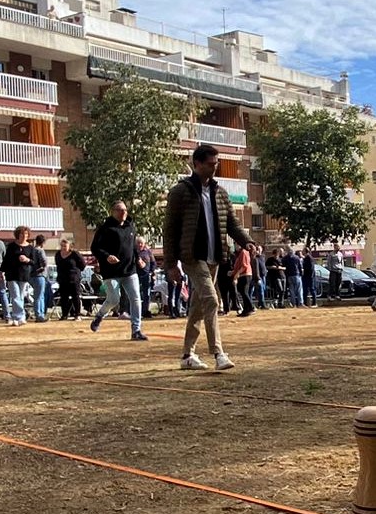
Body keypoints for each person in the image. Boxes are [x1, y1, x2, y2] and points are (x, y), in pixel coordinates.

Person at [161, 141, 250, 371]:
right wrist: (170, 264)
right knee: (212, 300)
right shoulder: (180, 192)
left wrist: (247, 242)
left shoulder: (220, 193)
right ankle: (218, 354)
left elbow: (231, 223)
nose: (215, 167)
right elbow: (169, 230)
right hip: (192, 256)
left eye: (217, 163)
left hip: (215, 257)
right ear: (197, 164)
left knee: (198, 308)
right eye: (211, 164)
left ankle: (187, 356)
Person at [88, 199, 149, 341]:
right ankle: (99, 316)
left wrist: (138, 258)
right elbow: (95, 248)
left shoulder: (130, 227)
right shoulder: (105, 229)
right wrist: (107, 256)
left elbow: (133, 247)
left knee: (136, 299)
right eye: (120, 210)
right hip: (111, 272)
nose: (123, 213)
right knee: (113, 300)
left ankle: (136, 330)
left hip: (129, 270)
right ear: (112, 212)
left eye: (125, 210)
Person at [2, 227, 31, 326]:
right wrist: (1, 271)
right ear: (17, 235)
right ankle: (18, 316)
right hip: (11, 274)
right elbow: (5, 260)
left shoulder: (30, 247)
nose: (24, 236)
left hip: (23, 275)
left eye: (26, 234)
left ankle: (18, 317)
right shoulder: (11, 246)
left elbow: (34, 262)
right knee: (15, 296)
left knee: (21, 296)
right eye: (22, 234)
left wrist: (27, 260)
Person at [55, 238, 83, 319]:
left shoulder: (75, 254)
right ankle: (64, 315)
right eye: (62, 246)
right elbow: (57, 265)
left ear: (69, 246)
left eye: (65, 245)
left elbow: (82, 264)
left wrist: (76, 273)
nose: (63, 247)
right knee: (64, 297)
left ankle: (77, 314)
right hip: (62, 279)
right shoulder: (58, 254)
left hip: (73, 279)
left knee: (75, 296)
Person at [24, 234, 50, 321]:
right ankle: (39, 314)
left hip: (31, 275)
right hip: (39, 275)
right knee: (39, 296)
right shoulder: (40, 250)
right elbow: (44, 263)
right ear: (43, 242)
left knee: (38, 295)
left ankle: (40, 314)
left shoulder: (32, 250)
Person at [231, 239, 255, 319]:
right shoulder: (241, 253)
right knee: (243, 292)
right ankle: (246, 310)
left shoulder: (244, 252)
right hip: (243, 275)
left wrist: (236, 274)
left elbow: (244, 266)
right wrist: (233, 272)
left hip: (245, 275)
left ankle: (251, 307)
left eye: (236, 244)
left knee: (244, 292)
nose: (235, 246)